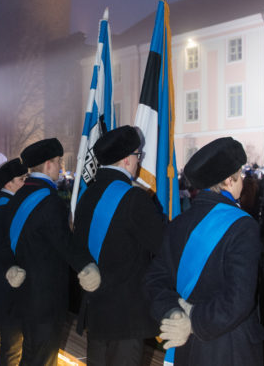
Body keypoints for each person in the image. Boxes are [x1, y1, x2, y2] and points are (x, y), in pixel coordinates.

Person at [144, 137, 264, 366]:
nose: (243, 181)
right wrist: (194, 322)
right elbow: (239, 299)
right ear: (230, 180)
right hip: (230, 349)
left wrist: (174, 313)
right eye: (241, 175)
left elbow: (154, 280)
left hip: (186, 349)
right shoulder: (242, 225)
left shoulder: (178, 223)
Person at [72, 125, 168, 366]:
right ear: (127, 160)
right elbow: (164, 245)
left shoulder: (87, 196)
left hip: (95, 309)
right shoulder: (133, 198)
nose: (138, 162)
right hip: (125, 316)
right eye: (138, 156)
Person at [2, 138, 98, 366]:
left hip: (23, 292)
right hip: (46, 297)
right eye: (58, 162)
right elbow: (64, 243)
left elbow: (6, 240)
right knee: (43, 358)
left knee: (30, 352)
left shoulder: (18, 198)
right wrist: (86, 265)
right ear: (48, 165)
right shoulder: (49, 201)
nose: (61, 167)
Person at [0, 158, 27, 366]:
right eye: (22, 179)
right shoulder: (6, 207)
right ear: (9, 183)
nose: (25, 182)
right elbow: (4, 246)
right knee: (11, 345)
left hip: (0, 280)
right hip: (9, 281)